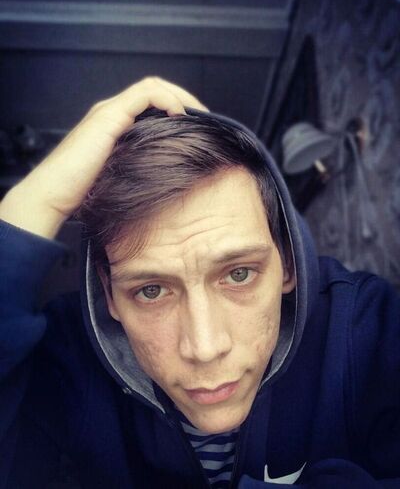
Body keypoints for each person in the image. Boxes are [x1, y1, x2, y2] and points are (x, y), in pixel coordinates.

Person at [0, 77, 399, 489]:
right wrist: (31, 204)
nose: (205, 348)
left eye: (239, 274)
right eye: (151, 291)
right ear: (110, 294)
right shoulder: (65, 360)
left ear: (287, 263)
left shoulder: (364, 328)